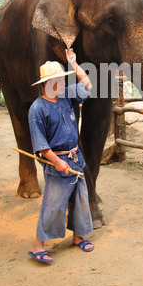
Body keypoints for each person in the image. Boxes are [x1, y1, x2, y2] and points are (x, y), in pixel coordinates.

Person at [27, 48, 94, 264]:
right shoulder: (37, 109)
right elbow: (41, 144)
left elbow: (88, 85)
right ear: (48, 83)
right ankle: (38, 245)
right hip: (56, 162)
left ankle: (78, 236)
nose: (64, 83)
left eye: (63, 80)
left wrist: (74, 63)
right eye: (59, 80)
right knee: (54, 204)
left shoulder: (66, 96)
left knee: (80, 198)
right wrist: (57, 162)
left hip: (76, 158)